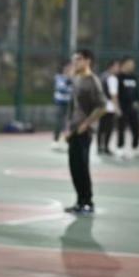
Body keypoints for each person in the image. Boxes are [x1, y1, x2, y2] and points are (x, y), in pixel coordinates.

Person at [63, 49, 106, 215]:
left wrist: (86, 125)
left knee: (82, 167)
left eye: (79, 59)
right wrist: (68, 128)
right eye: (74, 59)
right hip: (73, 130)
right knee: (74, 167)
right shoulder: (77, 79)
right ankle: (79, 201)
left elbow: (102, 106)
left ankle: (88, 202)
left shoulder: (93, 81)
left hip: (84, 132)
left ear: (88, 61)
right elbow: (72, 107)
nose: (75, 62)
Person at [115, 56, 139, 159]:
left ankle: (135, 148)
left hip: (133, 108)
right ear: (124, 64)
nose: (132, 66)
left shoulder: (134, 77)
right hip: (122, 107)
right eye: (130, 64)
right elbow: (115, 93)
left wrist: (138, 101)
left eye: (133, 64)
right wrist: (117, 107)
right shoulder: (118, 78)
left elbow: (137, 91)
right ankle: (120, 149)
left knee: (136, 129)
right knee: (121, 129)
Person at [97, 60, 120, 156]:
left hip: (101, 106)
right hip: (109, 107)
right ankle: (106, 147)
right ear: (111, 67)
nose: (118, 69)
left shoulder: (102, 76)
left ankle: (99, 147)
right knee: (108, 128)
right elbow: (113, 95)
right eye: (117, 66)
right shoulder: (112, 78)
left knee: (101, 127)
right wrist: (117, 108)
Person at [51, 62, 73, 151]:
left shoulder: (74, 78)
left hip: (70, 103)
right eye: (68, 68)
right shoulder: (59, 77)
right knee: (59, 122)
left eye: (71, 68)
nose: (69, 69)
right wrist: (69, 83)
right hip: (60, 103)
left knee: (69, 123)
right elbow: (61, 89)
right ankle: (55, 141)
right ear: (64, 68)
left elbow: (76, 89)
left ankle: (68, 141)